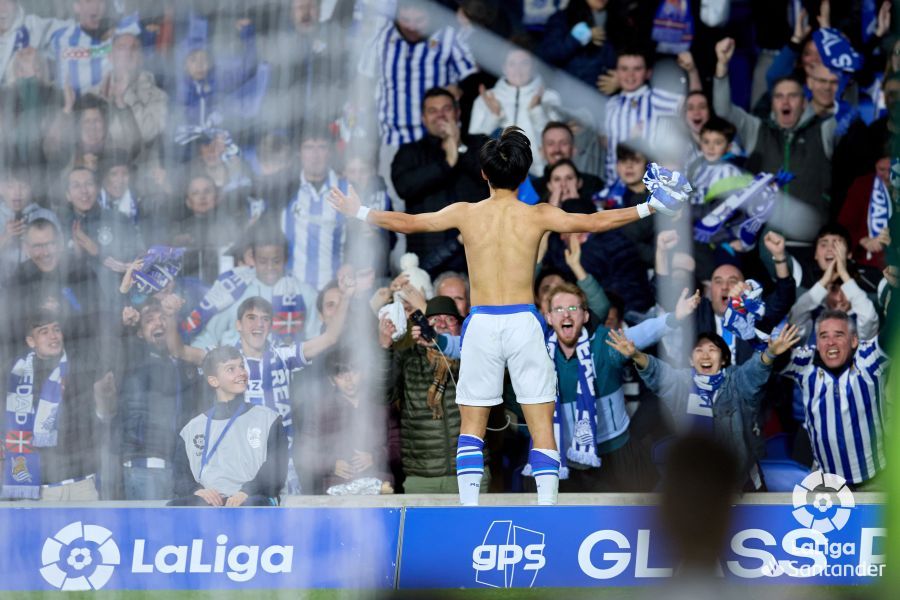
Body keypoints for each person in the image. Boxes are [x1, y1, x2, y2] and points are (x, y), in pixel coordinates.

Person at [330, 126, 689, 505]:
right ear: (523, 174)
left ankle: (469, 510)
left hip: (483, 323)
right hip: (522, 321)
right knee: (540, 421)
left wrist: (359, 210)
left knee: (472, 424)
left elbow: (411, 222)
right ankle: (547, 509)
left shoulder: (466, 213)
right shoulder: (537, 214)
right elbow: (594, 222)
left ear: (484, 174)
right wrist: (651, 206)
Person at [607, 325, 802, 490]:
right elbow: (657, 372)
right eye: (699, 350)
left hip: (739, 483)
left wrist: (770, 353)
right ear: (691, 359)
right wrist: (636, 355)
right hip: (693, 482)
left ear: (724, 359)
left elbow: (755, 371)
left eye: (712, 349)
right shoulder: (681, 383)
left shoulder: (737, 381)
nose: (705, 355)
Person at [713, 37, 836, 249]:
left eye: (792, 96)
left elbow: (846, 113)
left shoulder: (823, 130)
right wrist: (722, 66)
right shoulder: (757, 130)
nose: (785, 102)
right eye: (779, 96)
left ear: (804, 101)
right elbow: (723, 111)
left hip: (810, 243)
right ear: (772, 102)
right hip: (762, 242)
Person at [1, 308, 116, 500]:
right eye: (43, 332)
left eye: (56, 329)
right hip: (39, 486)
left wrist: (106, 396)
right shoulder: (13, 373)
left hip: (81, 481)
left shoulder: (81, 364)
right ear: (31, 341)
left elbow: (105, 415)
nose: (53, 336)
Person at [782, 310, 888, 490]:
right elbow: (774, 356)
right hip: (827, 485)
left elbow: (890, 335)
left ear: (854, 340)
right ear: (817, 342)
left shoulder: (868, 359)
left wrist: (895, 289)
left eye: (839, 335)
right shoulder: (806, 365)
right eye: (824, 336)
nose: (830, 342)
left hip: (876, 479)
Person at [170, 346, 288, 506]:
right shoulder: (192, 429)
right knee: (176, 506)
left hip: (251, 502)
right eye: (231, 369)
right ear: (213, 380)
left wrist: (247, 491)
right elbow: (180, 478)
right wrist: (197, 490)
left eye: (241, 366)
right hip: (208, 506)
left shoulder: (268, 419)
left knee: (251, 506)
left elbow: (276, 471)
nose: (241, 373)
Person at [391, 87, 489, 276]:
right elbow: (404, 187)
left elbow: (493, 177)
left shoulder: (480, 144)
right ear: (423, 118)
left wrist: (459, 147)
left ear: (457, 112)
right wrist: (446, 164)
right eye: (432, 111)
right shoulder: (409, 152)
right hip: (428, 258)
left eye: (446, 109)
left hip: (477, 255)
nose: (440, 116)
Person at [119, 299, 200, 500]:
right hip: (146, 465)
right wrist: (125, 326)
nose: (159, 323)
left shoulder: (184, 364)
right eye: (149, 320)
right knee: (149, 530)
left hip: (179, 466)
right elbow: (115, 349)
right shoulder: (134, 358)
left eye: (163, 318)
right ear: (139, 333)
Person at [468, 45, 562, 176]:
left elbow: (558, 143)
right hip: (498, 177)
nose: (518, 70)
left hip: (540, 178)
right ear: (503, 68)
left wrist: (537, 112)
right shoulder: (485, 99)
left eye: (524, 63)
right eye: (512, 64)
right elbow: (475, 148)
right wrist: (494, 116)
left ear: (533, 66)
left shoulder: (550, 97)